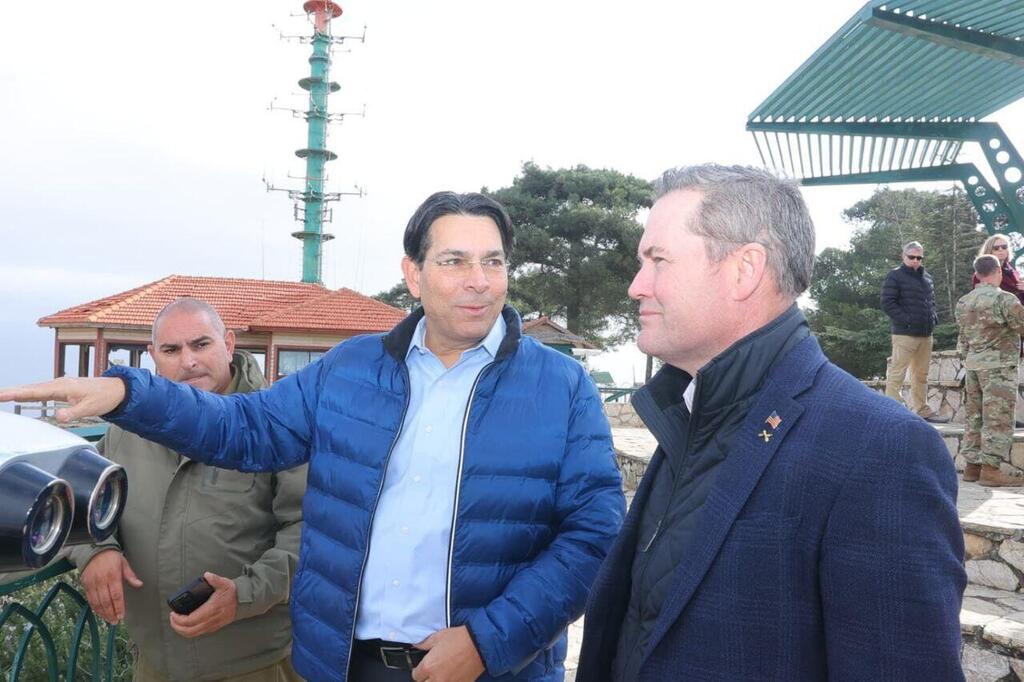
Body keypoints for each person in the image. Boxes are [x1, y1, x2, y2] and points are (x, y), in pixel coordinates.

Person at [1, 191, 625, 682]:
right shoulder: (349, 369)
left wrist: (488, 642)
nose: (479, 280)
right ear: (413, 274)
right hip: (342, 663)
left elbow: (593, 535)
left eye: (493, 261)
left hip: (489, 669)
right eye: (454, 260)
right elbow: (246, 428)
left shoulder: (563, 387)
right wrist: (129, 393)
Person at [575, 165, 966, 681]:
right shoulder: (691, 413)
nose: (636, 286)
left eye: (658, 260)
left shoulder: (881, 448)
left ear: (745, 269)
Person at [68, 298, 307, 681]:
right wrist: (96, 549)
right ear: (153, 357)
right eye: (172, 350)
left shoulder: (277, 424)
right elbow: (80, 496)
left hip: (255, 666)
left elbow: (307, 533)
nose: (188, 361)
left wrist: (244, 594)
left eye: (201, 344)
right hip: (154, 666)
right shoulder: (126, 431)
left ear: (228, 344)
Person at [956, 254, 1024, 486]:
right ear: (997, 272)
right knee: (998, 419)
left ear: (977, 275)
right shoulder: (1005, 300)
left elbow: (962, 340)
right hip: (999, 369)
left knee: (974, 418)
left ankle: (972, 467)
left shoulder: (964, 302)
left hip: (973, 367)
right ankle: (991, 470)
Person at [881, 241, 949, 422]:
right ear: (904, 256)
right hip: (904, 334)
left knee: (921, 375)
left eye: (919, 257)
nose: (915, 260)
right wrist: (907, 321)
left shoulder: (927, 277)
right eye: (911, 257)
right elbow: (887, 303)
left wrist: (933, 318)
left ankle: (923, 411)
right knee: (897, 373)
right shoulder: (894, 276)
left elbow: (931, 302)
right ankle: (892, 411)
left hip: (926, 335)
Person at [972, 233, 1024, 427]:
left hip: (1013, 334)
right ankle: (996, 421)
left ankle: (1008, 418)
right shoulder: (982, 274)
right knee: (993, 382)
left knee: (1009, 380)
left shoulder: (1012, 272)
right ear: (989, 249)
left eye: (1004, 247)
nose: (1002, 250)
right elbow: (982, 303)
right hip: (993, 336)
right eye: (997, 247)